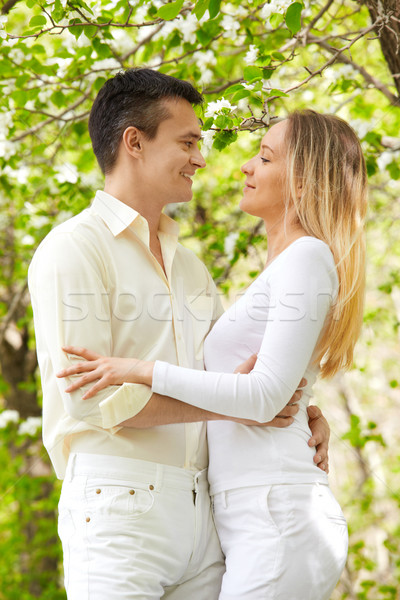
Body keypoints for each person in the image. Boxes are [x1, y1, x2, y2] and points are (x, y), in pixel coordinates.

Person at [29, 68, 330, 599]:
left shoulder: (190, 268)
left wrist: (304, 407)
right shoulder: (74, 248)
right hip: (118, 502)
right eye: (188, 142)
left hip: (207, 517)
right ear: (134, 142)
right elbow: (91, 399)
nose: (202, 158)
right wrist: (241, 406)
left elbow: (235, 375)